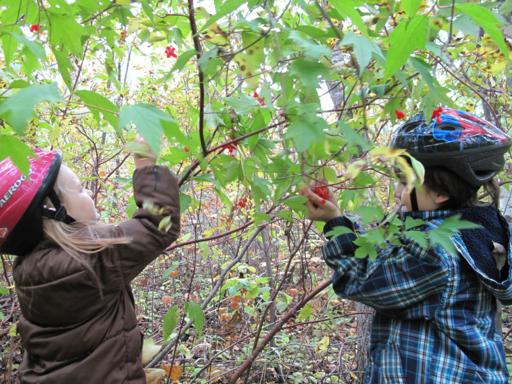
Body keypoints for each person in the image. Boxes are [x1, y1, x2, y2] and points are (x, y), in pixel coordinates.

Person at [302, 107, 512, 383]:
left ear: (441, 193)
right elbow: (386, 254)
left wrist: (335, 224)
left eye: (404, 182)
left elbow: (360, 279)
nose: (398, 192)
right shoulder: (475, 230)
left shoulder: (435, 252)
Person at [0, 142, 180, 383]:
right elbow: (157, 226)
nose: (90, 196)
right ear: (52, 209)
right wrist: (146, 164)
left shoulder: (27, 270)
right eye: (81, 189)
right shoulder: (88, 261)